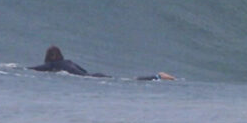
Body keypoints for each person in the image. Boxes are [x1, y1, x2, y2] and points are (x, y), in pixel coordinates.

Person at [30, 45, 175, 81]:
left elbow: (38, 68)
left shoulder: (54, 65)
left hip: (91, 78)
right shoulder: (68, 61)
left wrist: (15, 69)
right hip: (94, 75)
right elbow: (83, 70)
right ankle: (157, 76)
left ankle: (157, 76)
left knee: (130, 81)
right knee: (129, 80)